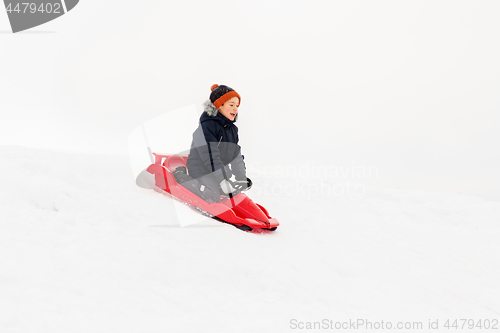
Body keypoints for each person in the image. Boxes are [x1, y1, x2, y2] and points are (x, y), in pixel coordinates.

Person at [174, 84, 252, 203]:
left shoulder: (233, 130)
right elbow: (210, 155)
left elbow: (236, 155)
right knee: (211, 195)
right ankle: (180, 176)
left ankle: (220, 184)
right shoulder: (207, 126)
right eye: (231, 105)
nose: (235, 109)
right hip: (201, 169)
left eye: (237, 105)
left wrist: (241, 177)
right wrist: (222, 179)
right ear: (219, 105)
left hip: (219, 172)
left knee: (234, 195)